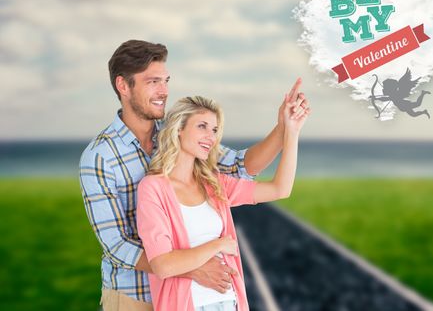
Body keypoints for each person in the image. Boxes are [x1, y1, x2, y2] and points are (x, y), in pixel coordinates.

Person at [79, 39, 310, 311]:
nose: (164, 90)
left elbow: (241, 167)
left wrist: (285, 128)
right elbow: (117, 245)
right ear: (123, 85)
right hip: (133, 296)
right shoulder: (100, 157)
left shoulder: (179, 133)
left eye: (166, 80)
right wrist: (191, 266)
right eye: (153, 81)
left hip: (198, 295)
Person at [137, 95, 307, 311]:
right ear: (179, 128)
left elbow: (280, 189)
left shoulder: (213, 184)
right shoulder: (153, 188)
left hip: (229, 302)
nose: (211, 136)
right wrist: (217, 245)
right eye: (202, 126)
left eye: (215, 130)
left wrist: (291, 132)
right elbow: (162, 265)